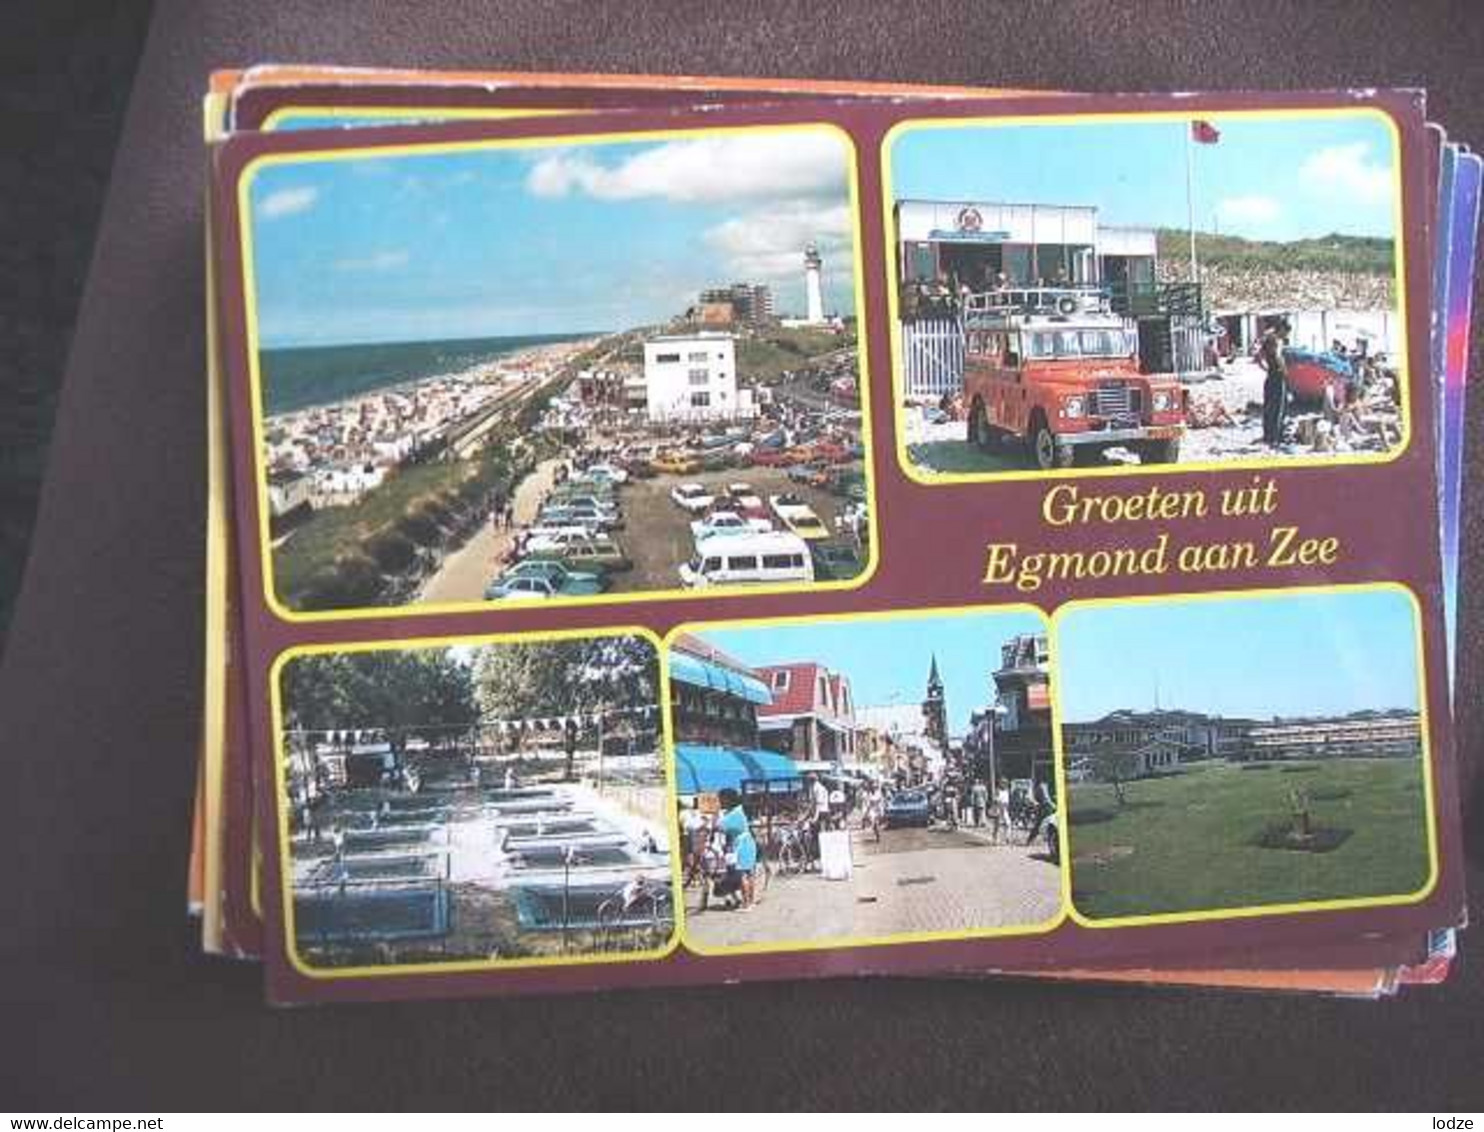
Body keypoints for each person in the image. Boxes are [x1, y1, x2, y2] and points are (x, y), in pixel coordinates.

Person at [716, 788, 758, 911]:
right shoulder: (738, 811)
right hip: (748, 843)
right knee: (749, 874)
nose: (720, 802)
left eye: (722, 799)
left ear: (728, 799)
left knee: (742, 875)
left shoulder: (734, 813)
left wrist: (716, 814)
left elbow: (720, 826)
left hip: (742, 845)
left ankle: (746, 904)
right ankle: (751, 901)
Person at [1257, 328, 1289, 446]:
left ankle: (1268, 435)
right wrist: (1284, 370)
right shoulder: (1278, 341)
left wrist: (1267, 369)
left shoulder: (1266, 342)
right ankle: (1276, 436)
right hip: (1278, 377)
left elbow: (1258, 358)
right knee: (1279, 407)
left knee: (1268, 407)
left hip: (1270, 377)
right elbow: (1278, 356)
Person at [1026, 779, 1055, 845]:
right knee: (1039, 824)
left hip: (1045, 807)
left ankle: (1032, 840)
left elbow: (1046, 798)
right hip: (1044, 807)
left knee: (1042, 824)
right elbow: (1046, 798)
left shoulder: (1040, 787)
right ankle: (1030, 840)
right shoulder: (1041, 787)